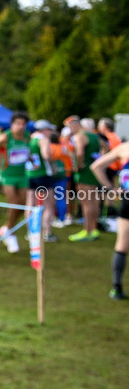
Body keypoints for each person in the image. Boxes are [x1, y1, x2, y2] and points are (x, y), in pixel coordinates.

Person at [0, 112, 32, 253]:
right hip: (7, 176)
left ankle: (6, 228)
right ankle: (11, 234)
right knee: (14, 203)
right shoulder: (4, 138)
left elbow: (26, 153)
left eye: (23, 124)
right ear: (12, 124)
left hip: (22, 175)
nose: (21, 126)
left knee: (22, 206)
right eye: (18, 123)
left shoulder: (27, 137)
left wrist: (31, 161)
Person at [91, 141, 129, 300]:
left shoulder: (124, 147)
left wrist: (110, 189)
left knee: (122, 245)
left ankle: (116, 287)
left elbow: (96, 167)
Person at [68, 116, 106, 241]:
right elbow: (106, 147)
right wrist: (100, 161)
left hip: (84, 172)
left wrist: (78, 166)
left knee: (86, 202)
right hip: (94, 171)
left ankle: (87, 230)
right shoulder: (95, 136)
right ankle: (93, 229)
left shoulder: (80, 136)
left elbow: (79, 153)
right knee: (93, 201)